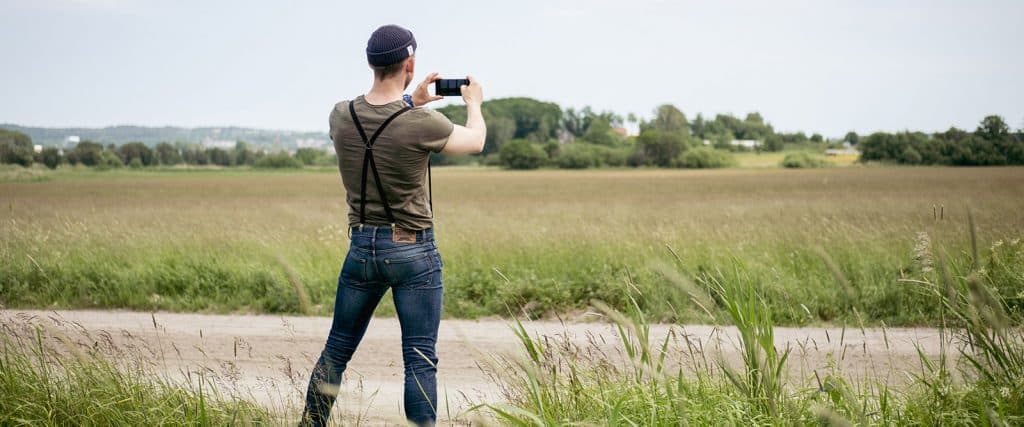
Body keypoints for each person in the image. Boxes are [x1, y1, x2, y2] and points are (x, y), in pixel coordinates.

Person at [300, 24, 486, 426]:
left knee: (336, 351)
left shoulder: (340, 115)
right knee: (419, 359)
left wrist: (410, 100)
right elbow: (475, 142)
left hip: (360, 247)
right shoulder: (421, 123)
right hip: (412, 250)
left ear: (371, 63)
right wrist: (474, 102)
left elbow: (380, 120)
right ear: (410, 63)